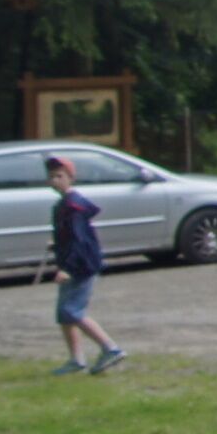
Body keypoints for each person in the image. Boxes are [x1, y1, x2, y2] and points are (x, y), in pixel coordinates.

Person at [47, 153, 123, 374]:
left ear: (71, 177)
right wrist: (56, 243)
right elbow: (70, 237)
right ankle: (76, 360)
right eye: (51, 177)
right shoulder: (63, 205)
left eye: (59, 176)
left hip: (80, 267)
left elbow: (79, 241)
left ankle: (111, 348)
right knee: (64, 314)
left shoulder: (73, 207)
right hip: (73, 264)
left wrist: (68, 269)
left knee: (73, 311)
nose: (54, 181)